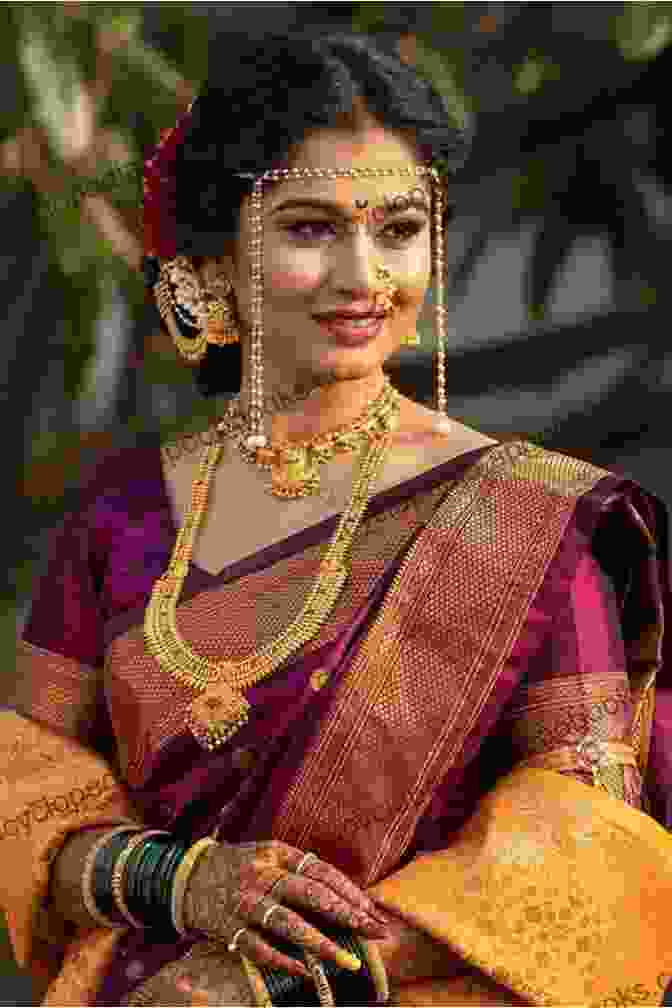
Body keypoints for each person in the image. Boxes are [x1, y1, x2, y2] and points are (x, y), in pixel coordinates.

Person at [2, 29, 672, 1007]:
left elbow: (589, 845)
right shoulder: (122, 518)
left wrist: (275, 980)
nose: (366, 274)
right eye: (311, 229)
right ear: (217, 256)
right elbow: (23, 798)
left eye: (398, 229)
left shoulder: (529, 519)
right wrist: (183, 882)